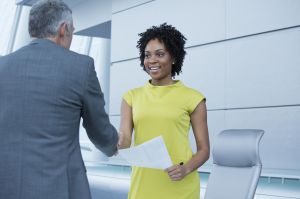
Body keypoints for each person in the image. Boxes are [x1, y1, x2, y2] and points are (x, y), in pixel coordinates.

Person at [0, 0, 118, 199]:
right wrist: (112, 145)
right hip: (59, 189)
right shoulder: (81, 67)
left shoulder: (3, 66)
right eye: (72, 31)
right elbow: (99, 130)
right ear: (63, 29)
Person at [118, 23, 210, 199]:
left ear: (174, 57)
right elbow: (125, 140)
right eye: (147, 55)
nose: (152, 60)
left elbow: (204, 150)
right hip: (143, 187)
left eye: (160, 54)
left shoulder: (194, 98)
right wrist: (114, 141)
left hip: (181, 188)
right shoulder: (131, 97)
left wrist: (186, 169)